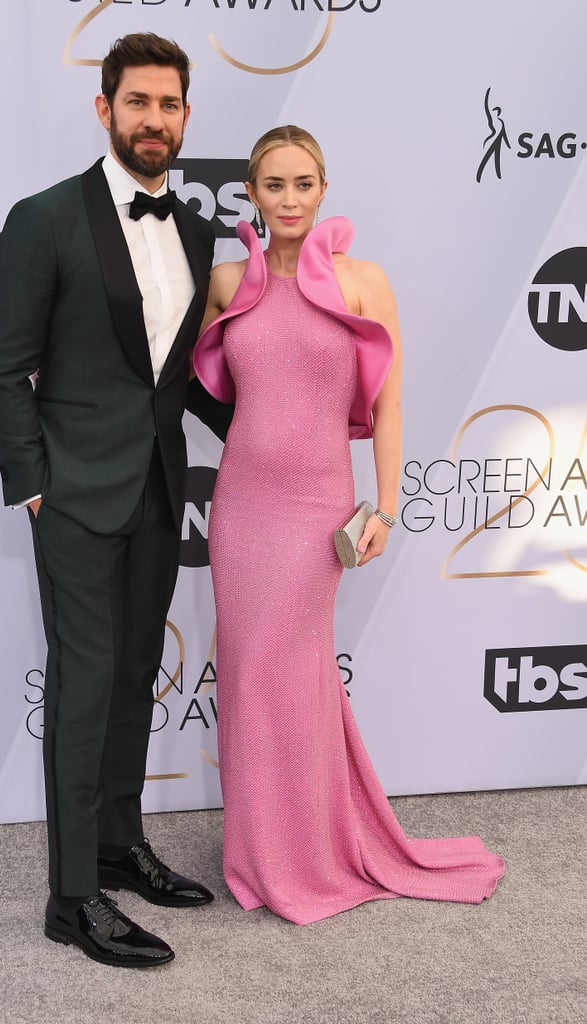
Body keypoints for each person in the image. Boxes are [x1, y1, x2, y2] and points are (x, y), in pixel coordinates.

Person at [192, 125, 505, 925]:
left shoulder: (364, 282)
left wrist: (387, 508)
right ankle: (262, 851)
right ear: (251, 194)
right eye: (272, 184)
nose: (288, 199)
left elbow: (390, 407)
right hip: (241, 507)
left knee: (285, 671)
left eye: (302, 184)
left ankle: (312, 851)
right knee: (251, 673)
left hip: (316, 511)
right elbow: (183, 381)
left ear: (323, 189)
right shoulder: (229, 282)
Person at [0, 33, 230, 967]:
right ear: (105, 110)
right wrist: (34, 489)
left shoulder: (198, 232)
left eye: (169, 106)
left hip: (162, 488)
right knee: (84, 687)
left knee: (132, 678)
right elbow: (5, 370)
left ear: (184, 116)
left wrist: (277, 423)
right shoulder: (42, 219)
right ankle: (72, 897)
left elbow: (175, 379)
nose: (154, 120)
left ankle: (120, 846)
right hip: (76, 497)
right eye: (138, 104)